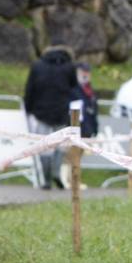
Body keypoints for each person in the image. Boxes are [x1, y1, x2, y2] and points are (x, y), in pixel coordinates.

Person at [23, 44, 76, 189]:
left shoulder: (37, 65)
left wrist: (28, 109)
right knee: (60, 144)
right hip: (61, 111)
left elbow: (30, 88)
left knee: (43, 145)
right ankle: (56, 171)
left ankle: (46, 179)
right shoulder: (69, 66)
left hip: (41, 112)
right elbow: (74, 87)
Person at [59, 62, 99, 191]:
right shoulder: (72, 88)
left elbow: (93, 110)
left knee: (78, 156)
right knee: (69, 156)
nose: (85, 74)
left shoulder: (89, 90)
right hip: (73, 127)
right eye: (83, 72)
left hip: (86, 128)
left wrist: (94, 128)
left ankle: (74, 181)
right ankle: (65, 181)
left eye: (87, 72)